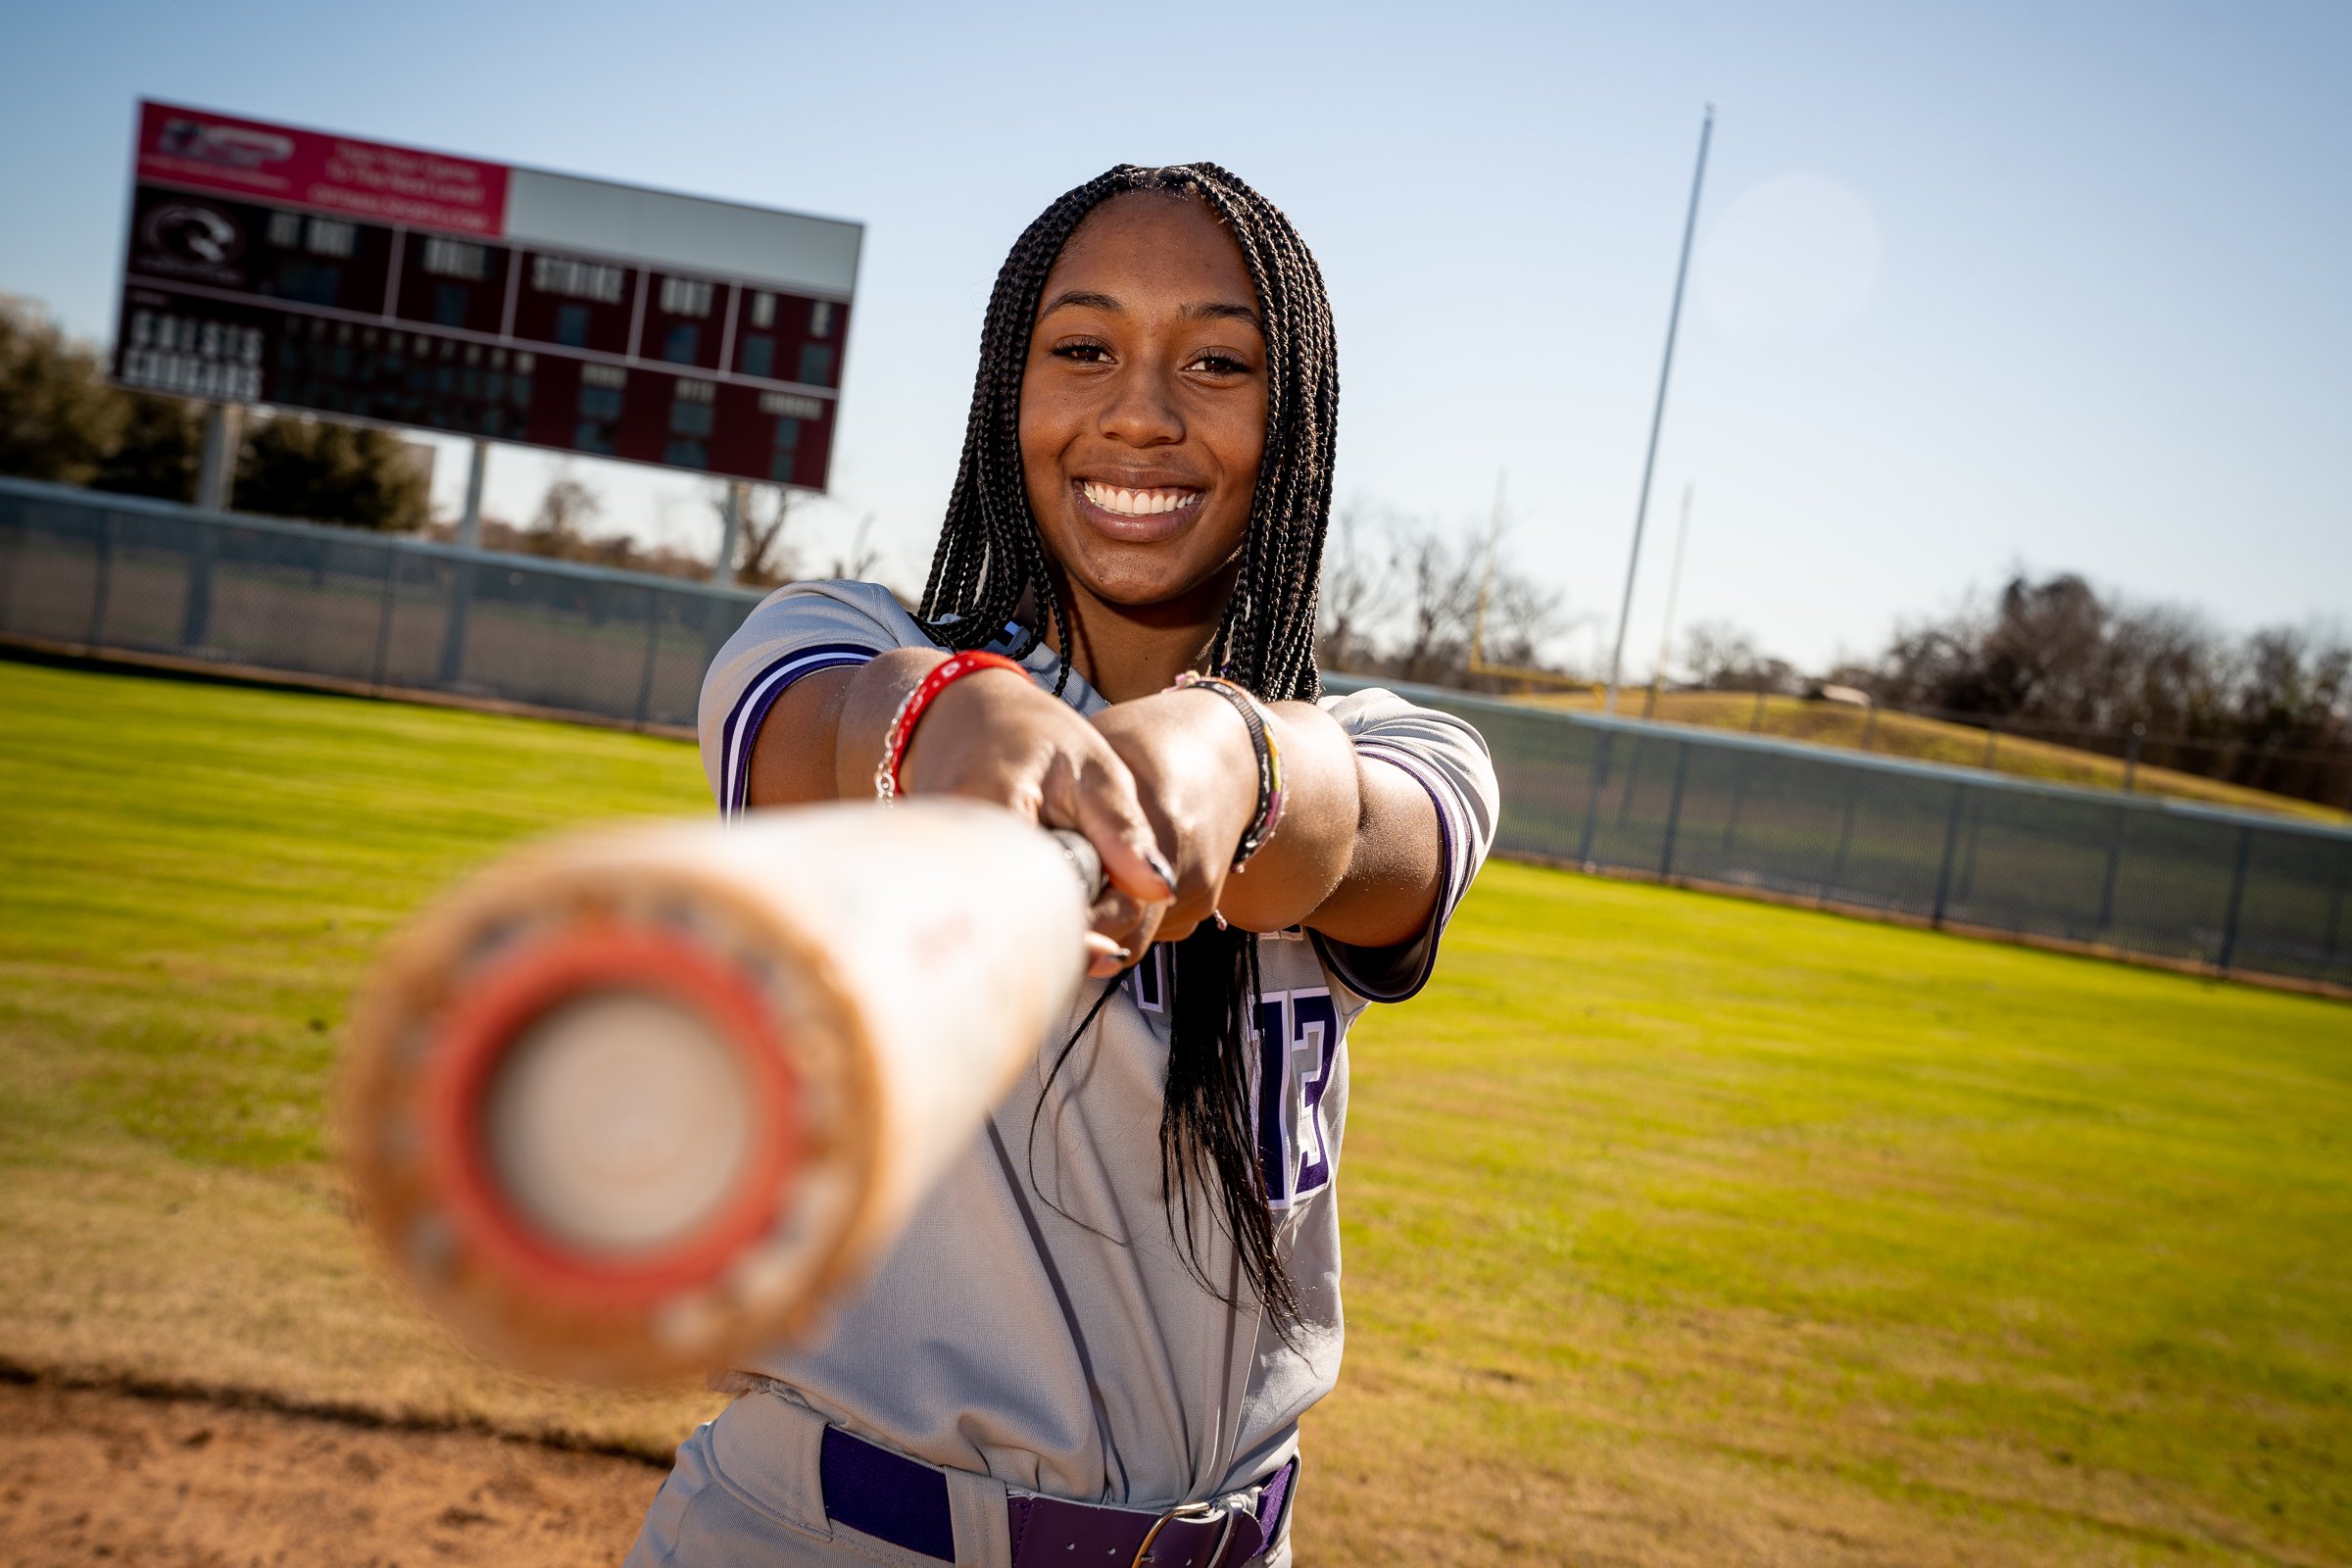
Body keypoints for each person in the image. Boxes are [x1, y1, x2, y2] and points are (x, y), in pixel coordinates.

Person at [629, 163, 1496, 1568]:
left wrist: (1225, 758)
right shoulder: (828, 637)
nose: (1141, 410)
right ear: (1003, 392)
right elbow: (833, 727)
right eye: (1082, 348)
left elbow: (1342, 837)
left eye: (1219, 361)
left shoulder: (1403, 749)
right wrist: (947, 719)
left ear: (1299, 425)